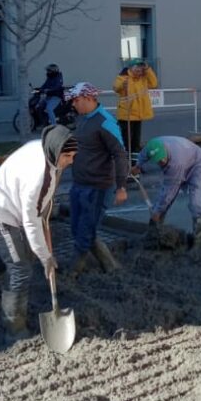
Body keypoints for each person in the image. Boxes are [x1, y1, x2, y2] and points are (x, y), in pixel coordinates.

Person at [0, 125, 78, 335]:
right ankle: (12, 327)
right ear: (54, 151)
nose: (71, 160)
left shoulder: (44, 150)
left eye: (74, 155)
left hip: (12, 205)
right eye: (67, 156)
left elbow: (41, 208)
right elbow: (30, 220)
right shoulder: (37, 176)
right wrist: (46, 257)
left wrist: (44, 219)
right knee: (21, 269)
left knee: (18, 254)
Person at [66, 81, 129, 275]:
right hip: (80, 184)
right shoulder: (82, 119)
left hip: (98, 187)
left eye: (76, 100)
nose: (73, 104)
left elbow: (119, 154)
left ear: (88, 98)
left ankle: (73, 271)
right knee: (77, 228)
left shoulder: (105, 121)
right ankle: (110, 265)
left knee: (85, 231)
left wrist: (121, 187)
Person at [132, 136, 201, 244]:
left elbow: (169, 192)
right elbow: (143, 155)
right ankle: (154, 231)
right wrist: (138, 166)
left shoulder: (175, 163)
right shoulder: (151, 146)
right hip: (185, 156)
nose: (162, 162)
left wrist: (157, 212)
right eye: (158, 161)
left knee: (195, 203)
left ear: (165, 150)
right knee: (162, 202)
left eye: (163, 158)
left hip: (197, 164)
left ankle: (198, 240)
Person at [113, 58, 158, 158]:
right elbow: (116, 88)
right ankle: (126, 162)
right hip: (126, 115)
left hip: (138, 115)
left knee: (136, 142)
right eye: (137, 69)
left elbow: (154, 84)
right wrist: (122, 85)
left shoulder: (143, 78)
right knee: (126, 141)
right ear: (131, 68)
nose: (139, 71)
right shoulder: (123, 77)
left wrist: (148, 69)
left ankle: (135, 162)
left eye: (141, 69)